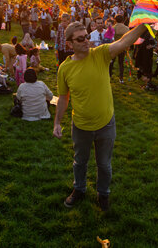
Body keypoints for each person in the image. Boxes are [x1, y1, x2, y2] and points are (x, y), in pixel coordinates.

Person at [54, 20, 147, 211]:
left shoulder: (101, 54)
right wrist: (57, 122)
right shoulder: (64, 68)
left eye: (87, 36)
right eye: (80, 39)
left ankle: (103, 193)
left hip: (106, 124)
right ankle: (79, 189)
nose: (86, 41)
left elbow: (124, 42)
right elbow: (63, 98)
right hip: (80, 126)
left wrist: (144, 24)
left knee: (104, 165)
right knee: (80, 162)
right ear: (69, 44)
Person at [109, 14, 129, 83]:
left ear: (115, 20)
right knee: (121, 63)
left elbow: (110, 38)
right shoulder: (126, 28)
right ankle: (121, 78)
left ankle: (109, 76)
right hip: (122, 47)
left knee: (111, 63)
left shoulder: (113, 28)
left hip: (114, 47)